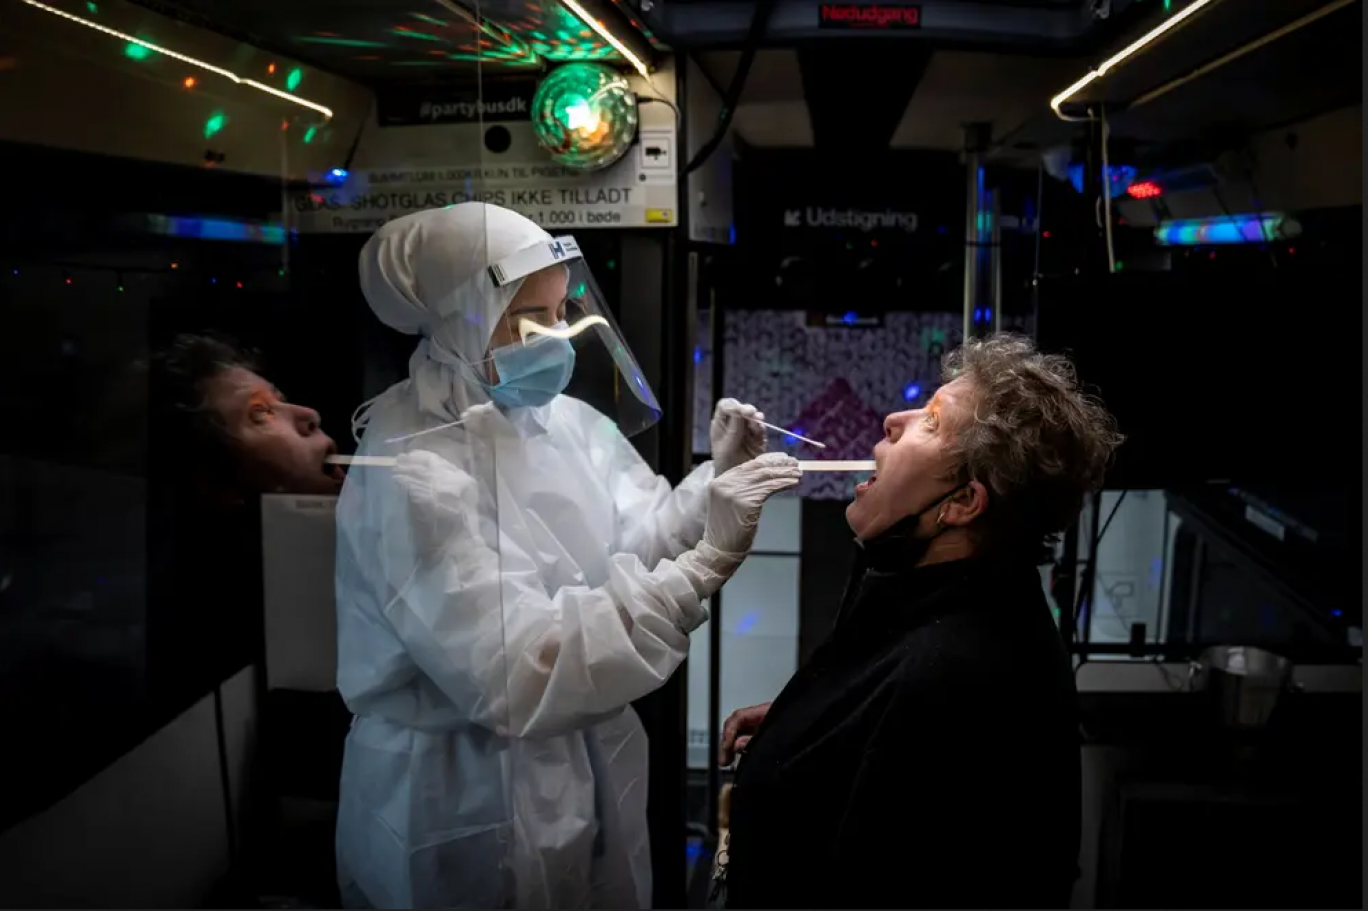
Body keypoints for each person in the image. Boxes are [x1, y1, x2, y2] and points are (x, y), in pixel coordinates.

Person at [334, 203, 800, 910]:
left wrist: (714, 488)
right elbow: (519, 671)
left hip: (584, 767)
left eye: (561, 311)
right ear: (461, 318)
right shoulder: (412, 469)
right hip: (455, 794)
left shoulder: (561, 422)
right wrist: (702, 568)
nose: (558, 338)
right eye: (530, 319)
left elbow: (640, 540)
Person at [716, 334, 1123, 910]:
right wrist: (815, 727)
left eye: (931, 422)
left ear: (962, 504)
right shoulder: (964, 592)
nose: (893, 420)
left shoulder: (954, 678)